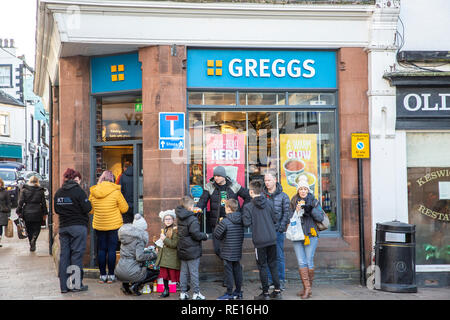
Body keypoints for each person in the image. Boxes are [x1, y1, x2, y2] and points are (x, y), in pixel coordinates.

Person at [195, 166, 250, 257]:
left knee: (233, 249)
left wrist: (242, 212)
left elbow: (248, 196)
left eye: (218, 176)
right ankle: (227, 266)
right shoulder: (209, 186)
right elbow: (202, 201)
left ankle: (232, 269)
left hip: (232, 222)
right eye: (215, 176)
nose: (216, 178)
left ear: (224, 176)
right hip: (217, 222)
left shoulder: (233, 185)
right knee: (217, 249)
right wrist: (197, 209)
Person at [54, 168, 92, 293]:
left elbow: (57, 210)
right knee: (76, 255)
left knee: (64, 255)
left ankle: (63, 287)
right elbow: (87, 208)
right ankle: (76, 285)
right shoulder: (79, 192)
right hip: (78, 227)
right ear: (76, 179)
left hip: (64, 227)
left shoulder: (59, 192)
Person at [242, 179, 282, 300]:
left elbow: (246, 223)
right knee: (273, 265)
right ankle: (277, 291)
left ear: (251, 192)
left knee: (262, 266)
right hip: (271, 238)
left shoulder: (248, 206)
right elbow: (275, 219)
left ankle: (265, 294)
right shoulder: (269, 202)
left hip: (259, 240)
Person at [89, 170, 129, 284]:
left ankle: (102, 275)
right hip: (114, 225)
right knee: (111, 249)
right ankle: (111, 275)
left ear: (101, 178)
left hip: (99, 224)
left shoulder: (94, 191)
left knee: (101, 249)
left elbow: (91, 210)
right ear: (112, 179)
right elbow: (125, 208)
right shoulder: (116, 192)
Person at [289, 175, 325, 299]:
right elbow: (290, 217)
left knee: (308, 260)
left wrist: (310, 210)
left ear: (308, 190)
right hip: (297, 235)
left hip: (311, 234)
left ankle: (308, 289)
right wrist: (297, 211)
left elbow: (320, 217)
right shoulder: (294, 201)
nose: (303, 191)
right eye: (301, 189)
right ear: (298, 190)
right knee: (301, 261)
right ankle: (306, 288)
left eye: (305, 189)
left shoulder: (314, 201)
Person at [115, 214, 159, 296]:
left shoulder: (125, 237)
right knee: (156, 273)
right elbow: (139, 257)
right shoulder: (139, 239)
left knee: (133, 268)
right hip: (131, 272)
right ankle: (135, 286)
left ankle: (125, 286)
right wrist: (154, 254)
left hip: (120, 271)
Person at [262, 170, 291, 290]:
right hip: (265, 231)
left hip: (277, 231)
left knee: (278, 256)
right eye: (265, 180)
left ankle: (280, 280)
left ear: (275, 180)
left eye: (269, 180)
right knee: (268, 257)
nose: (267, 183)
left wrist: (280, 228)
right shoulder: (262, 195)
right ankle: (270, 280)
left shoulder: (283, 196)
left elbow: (286, 214)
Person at [176, 196, 208, 300]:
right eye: (193, 205)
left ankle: (183, 293)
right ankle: (196, 293)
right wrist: (205, 236)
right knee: (194, 272)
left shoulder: (180, 216)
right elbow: (195, 234)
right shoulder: (192, 219)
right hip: (192, 249)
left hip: (182, 248)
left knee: (184, 272)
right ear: (190, 206)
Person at [213, 199, 244, 300]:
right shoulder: (241, 219)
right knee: (237, 270)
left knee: (229, 272)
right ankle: (238, 292)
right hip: (237, 249)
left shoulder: (225, 221)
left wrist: (219, 223)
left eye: (225, 207)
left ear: (228, 208)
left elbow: (217, 235)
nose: (224, 209)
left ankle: (229, 293)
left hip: (227, 250)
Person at [17, 175, 47, 252]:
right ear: (37, 182)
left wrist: (18, 210)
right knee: (37, 228)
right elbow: (43, 203)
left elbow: (21, 202)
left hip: (27, 211)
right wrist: (45, 213)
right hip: (38, 211)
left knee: (29, 228)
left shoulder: (24, 190)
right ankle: (34, 238)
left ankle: (31, 243)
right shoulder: (40, 191)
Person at [155, 209, 180, 298]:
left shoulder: (175, 230)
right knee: (164, 275)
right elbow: (162, 242)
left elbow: (174, 244)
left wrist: (164, 239)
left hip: (171, 257)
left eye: (169, 219)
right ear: (163, 221)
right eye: (166, 219)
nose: (168, 221)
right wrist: (157, 247)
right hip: (164, 256)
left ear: (173, 220)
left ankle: (184, 288)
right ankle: (166, 291)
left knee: (175, 275)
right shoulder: (164, 230)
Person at [0, 178, 11, 248]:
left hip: (2, 212)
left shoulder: (5, 192)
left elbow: (8, 203)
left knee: (0, 227)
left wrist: (8, 213)